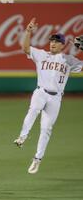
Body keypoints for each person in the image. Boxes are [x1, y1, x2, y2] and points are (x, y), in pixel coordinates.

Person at [13, 18, 82, 174]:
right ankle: (22, 137)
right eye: (51, 41)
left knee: (46, 129)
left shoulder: (69, 60)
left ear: (63, 44)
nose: (53, 43)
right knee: (33, 109)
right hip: (41, 92)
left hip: (56, 98)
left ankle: (37, 159)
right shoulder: (41, 54)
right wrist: (28, 32)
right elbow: (25, 48)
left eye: (57, 42)